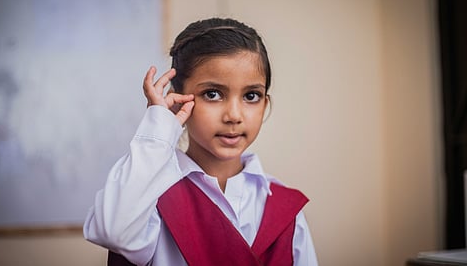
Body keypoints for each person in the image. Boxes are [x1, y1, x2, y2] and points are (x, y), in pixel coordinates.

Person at [83, 17, 318, 266]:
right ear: (177, 99)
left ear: (265, 104)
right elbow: (113, 231)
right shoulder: (150, 197)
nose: (234, 116)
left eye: (251, 95)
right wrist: (161, 125)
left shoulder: (286, 210)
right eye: (213, 94)